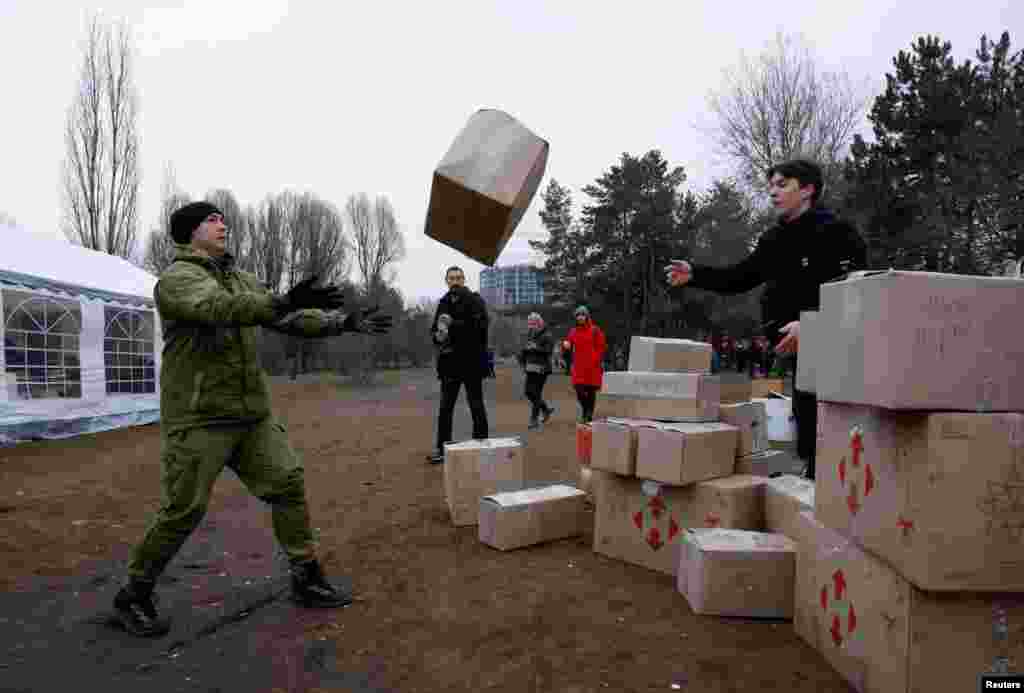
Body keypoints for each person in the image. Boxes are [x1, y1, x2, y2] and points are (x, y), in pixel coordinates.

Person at [113, 201, 393, 637]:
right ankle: (134, 593)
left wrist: (344, 321)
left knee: (286, 481)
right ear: (189, 232)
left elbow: (287, 316)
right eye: (211, 219)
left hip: (249, 415)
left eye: (223, 218)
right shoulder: (177, 279)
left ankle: (306, 576)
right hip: (199, 416)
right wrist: (277, 301)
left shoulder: (241, 279)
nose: (222, 224)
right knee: (183, 509)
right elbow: (219, 309)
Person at [666, 159, 867, 480]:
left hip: (838, 349)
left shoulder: (838, 233)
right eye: (771, 185)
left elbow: (857, 288)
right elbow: (740, 277)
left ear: (808, 190)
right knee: (806, 422)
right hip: (799, 354)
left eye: (782, 184)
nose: (773, 192)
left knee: (834, 425)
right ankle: (815, 479)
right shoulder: (774, 239)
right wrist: (695, 274)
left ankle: (833, 489)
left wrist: (814, 325)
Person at [425, 266, 490, 464]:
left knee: (476, 405)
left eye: (458, 278)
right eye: (451, 278)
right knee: (445, 408)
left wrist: (453, 325)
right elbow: (436, 330)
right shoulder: (443, 302)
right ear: (446, 281)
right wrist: (437, 336)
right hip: (449, 364)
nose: (455, 281)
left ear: (464, 280)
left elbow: (482, 325)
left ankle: (482, 446)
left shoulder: (475, 299)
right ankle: (443, 449)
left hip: (471, 361)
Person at [563, 305, 606, 423]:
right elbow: (568, 344)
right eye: (578, 315)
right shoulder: (573, 331)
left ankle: (588, 414)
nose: (580, 317)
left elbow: (601, 346)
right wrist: (566, 346)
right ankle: (586, 410)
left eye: (583, 315)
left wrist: (597, 359)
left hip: (592, 366)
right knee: (579, 390)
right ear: (575, 318)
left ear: (587, 316)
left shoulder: (595, 330)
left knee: (591, 391)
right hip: (579, 366)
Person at [517, 312, 556, 430]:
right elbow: (525, 349)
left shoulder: (547, 335)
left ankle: (534, 420)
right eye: (530, 324)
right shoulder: (530, 335)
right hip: (531, 367)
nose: (532, 326)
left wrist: (536, 348)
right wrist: (522, 356)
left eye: (534, 324)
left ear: (540, 323)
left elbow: (548, 351)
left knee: (536, 393)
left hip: (543, 368)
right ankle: (545, 409)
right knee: (528, 392)